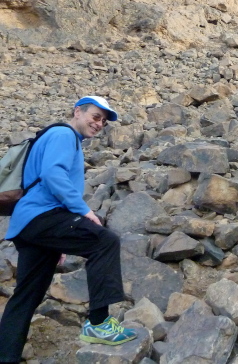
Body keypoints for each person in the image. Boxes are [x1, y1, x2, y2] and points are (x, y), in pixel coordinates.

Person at [0, 96, 136, 363]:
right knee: (104, 241)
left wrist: (57, 240)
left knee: (26, 297)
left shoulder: (57, 136)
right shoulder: (64, 134)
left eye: (103, 121)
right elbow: (53, 175)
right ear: (77, 112)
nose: (99, 124)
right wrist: (83, 210)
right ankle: (99, 324)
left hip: (29, 223)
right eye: (95, 117)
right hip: (42, 215)